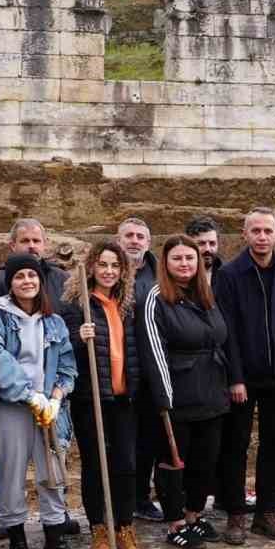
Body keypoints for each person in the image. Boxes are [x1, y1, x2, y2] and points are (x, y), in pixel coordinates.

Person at [213, 208, 275, 544]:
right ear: (244, 234)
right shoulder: (229, 275)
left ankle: (267, 512)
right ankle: (236, 515)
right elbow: (227, 331)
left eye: (267, 231)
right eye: (255, 230)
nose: (261, 236)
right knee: (236, 444)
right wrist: (235, 377)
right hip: (244, 377)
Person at [0, 254, 85, 549]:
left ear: (40, 282)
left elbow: (67, 365)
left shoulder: (53, 322)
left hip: (49, 408)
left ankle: (54, 546)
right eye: (20, 277)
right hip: (13, 407)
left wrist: (56, 397)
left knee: (52, 471)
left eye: (32, 276)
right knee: (12, 473)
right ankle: (18, 548)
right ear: (10, 283)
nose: (27, 281)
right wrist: (30, 396)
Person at [140, 235, 234, 549]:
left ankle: (194, 515)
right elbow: (154, 351)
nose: (185, 264)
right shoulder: (156, 298)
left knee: (204, 461)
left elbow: (219, 338)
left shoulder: (205, 296)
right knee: (173, 462)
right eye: (178, 258)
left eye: (190, 258)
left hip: (211, 393)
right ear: (166, 263)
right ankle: (175, 523)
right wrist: (164, 399)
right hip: (177, 398)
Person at [60, 240, 148, 549]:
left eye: (115, 266)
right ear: (92, 266)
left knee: (126, 464)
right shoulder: (75, 305)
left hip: (124, 397)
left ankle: (124, 527)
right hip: (91, 397)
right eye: (103, 264)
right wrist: (77, 337)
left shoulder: (127, 304)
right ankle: (99, 528)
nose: (109, 271)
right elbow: (61, 348)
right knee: (96, 465)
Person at [118, 218, 165, 523]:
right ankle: (120, 500)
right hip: (120, 371)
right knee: (121, 443)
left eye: (140, 237)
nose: (135, 241)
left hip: (151, 371)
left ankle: (141, 498)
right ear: (118, 239)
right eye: (129, 236)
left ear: (148, 242)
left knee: (148, 441)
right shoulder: (109, 270)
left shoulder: (160, 272)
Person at [0, 218, 70, 310]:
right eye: (25, 241)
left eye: (36, 241)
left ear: (45, 244)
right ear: (13, 245)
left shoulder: (62, 278)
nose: (31, 246)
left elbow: (73, 318)